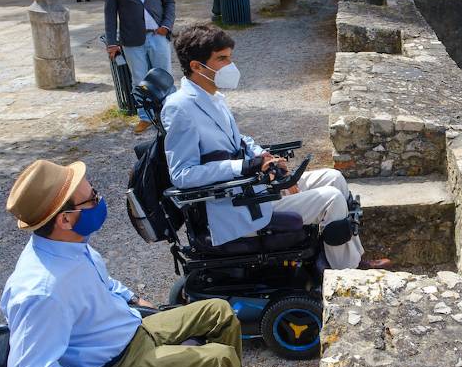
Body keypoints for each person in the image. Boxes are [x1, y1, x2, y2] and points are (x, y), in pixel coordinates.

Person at [1, 159, 280, 367]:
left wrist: (131, 298)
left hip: (130, 329)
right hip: (118, 363)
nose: (99, 199)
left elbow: (103, 283)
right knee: (219, 358)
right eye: (92, 198)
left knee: (219, 311)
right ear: (65, 219)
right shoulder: (42, 291)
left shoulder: (67, 246)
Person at [160, 23, 391, 271]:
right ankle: (347, 274)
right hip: (231, 205)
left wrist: (264, 156)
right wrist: (245, 166)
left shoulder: (213, 97)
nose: (231, 66)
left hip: (250, 190)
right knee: (331, 199)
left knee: (333, 177)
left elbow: (239, 141)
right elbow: (182, 175)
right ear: (196, 66)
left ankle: (351, 258)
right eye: (222, 59)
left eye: (230, 57)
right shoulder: (180, 108)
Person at [104, 0, 176, 135]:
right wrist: (112, 42)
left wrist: (166, 26)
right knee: (139, 80)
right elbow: (110, 12)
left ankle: (171, 114)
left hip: (158, 34)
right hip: (132, 39)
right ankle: (145, 117)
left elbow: (169, 2)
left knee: (165, 77)